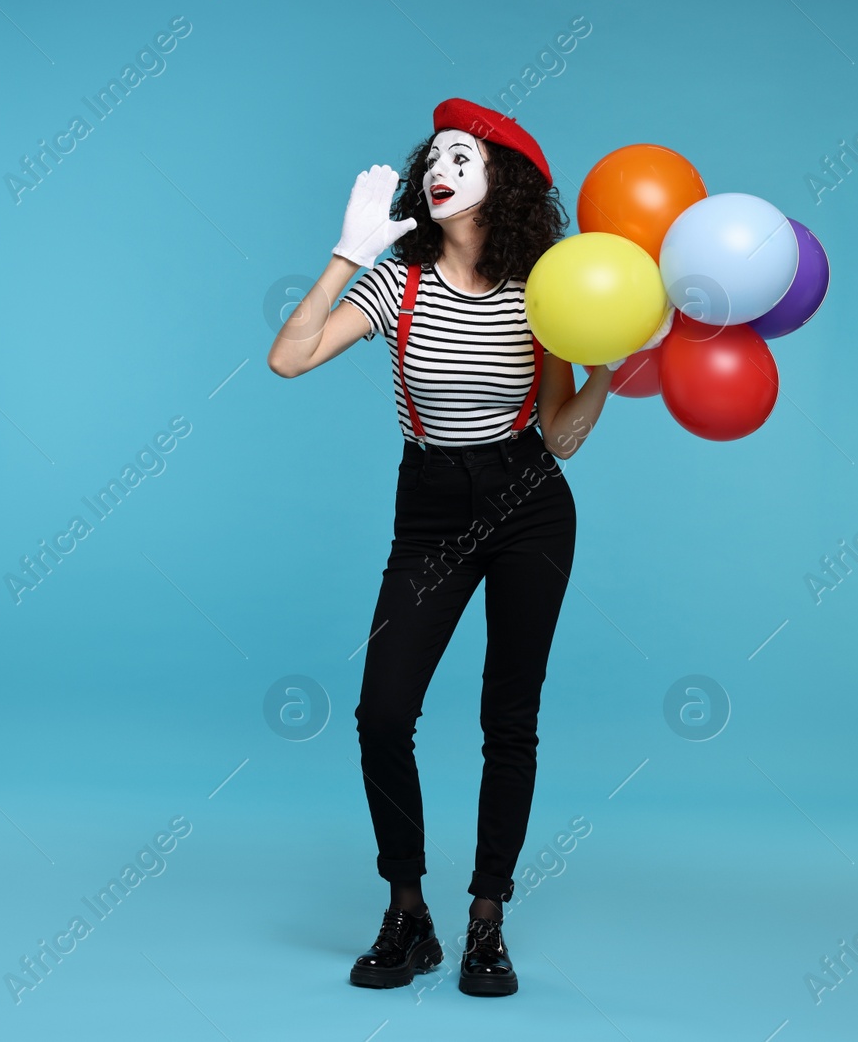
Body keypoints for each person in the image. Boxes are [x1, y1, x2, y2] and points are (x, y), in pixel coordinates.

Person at [267, 98, 663, 997]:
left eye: (463, 158)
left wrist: (609, 364)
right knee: (381, 714)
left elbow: (559, 436)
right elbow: (288, 359)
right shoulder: (394, 283)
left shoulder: (543, 291)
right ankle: (409, 914)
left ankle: (488, 920)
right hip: (433, 509)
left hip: (529, 503)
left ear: (504, 184)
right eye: (433, 157)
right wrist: (346, 254)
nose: (440, 169)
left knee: (508, 718)